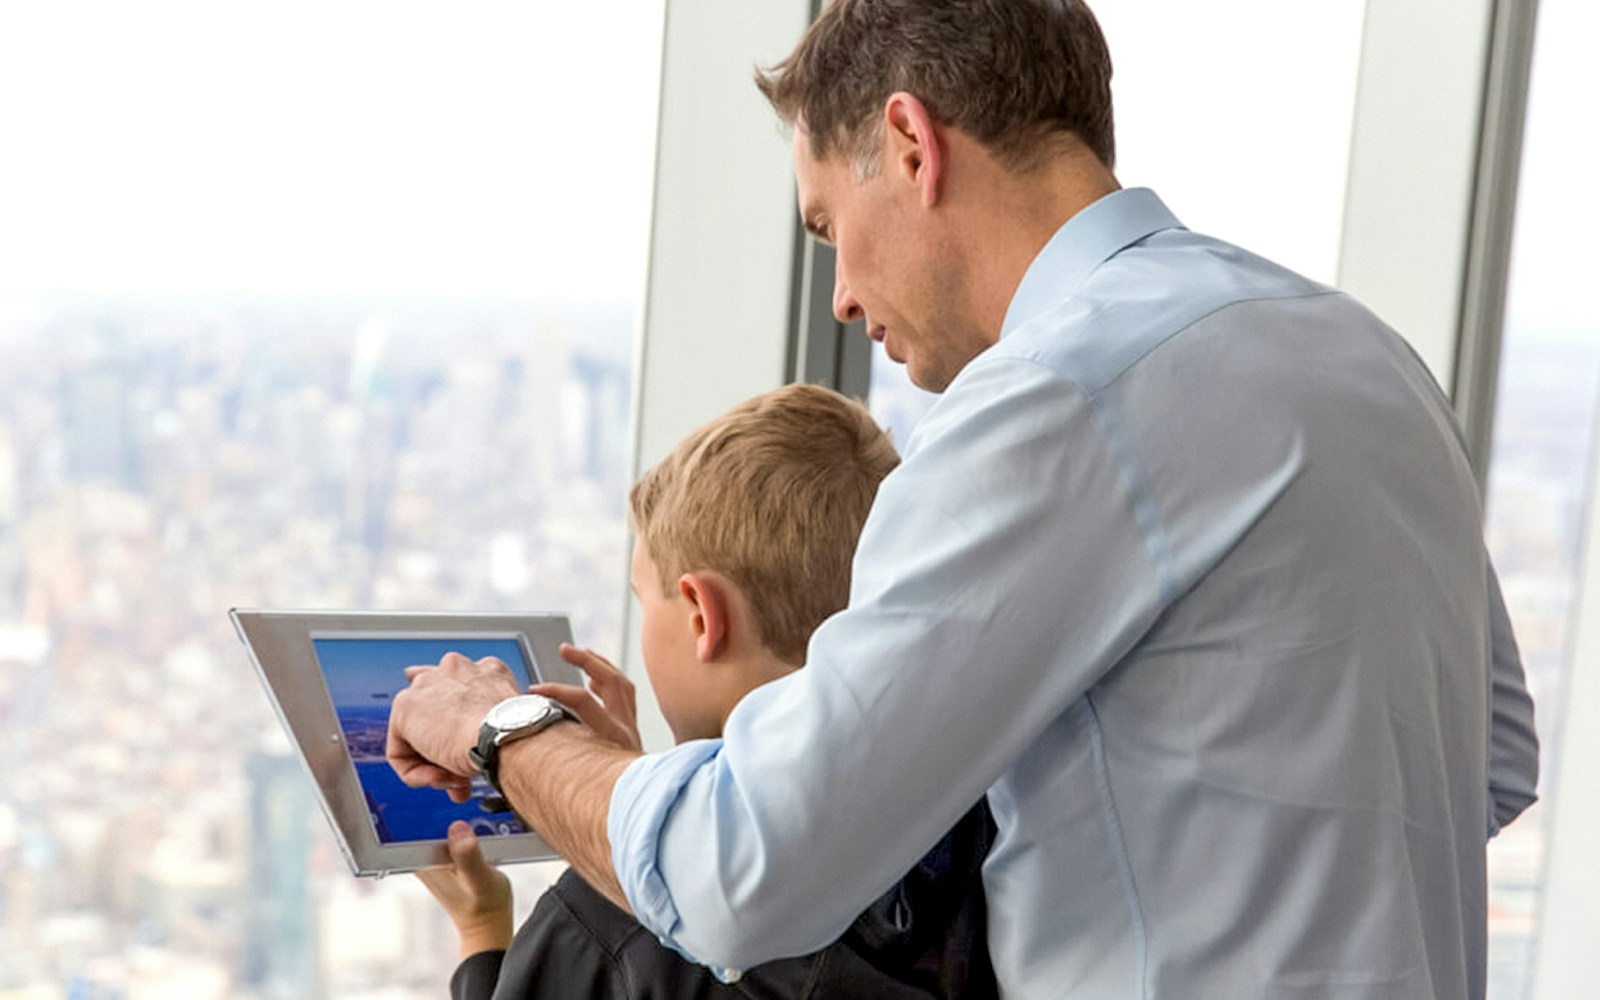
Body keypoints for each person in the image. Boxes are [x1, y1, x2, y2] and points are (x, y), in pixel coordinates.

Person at [387, 2, 1541, 996]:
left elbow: (739, 877)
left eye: (830, 228)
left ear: (907, 143)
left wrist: (496, 732)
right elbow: (1491, 759)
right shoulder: (1360, 354)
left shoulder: (1052, 397)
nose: (839, 296)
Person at [413, 383, 997, 999]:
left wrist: (483, 932)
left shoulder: (618, 934)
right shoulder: (975, 808)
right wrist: (634, 782)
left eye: (646, 602)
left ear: (701, 616)